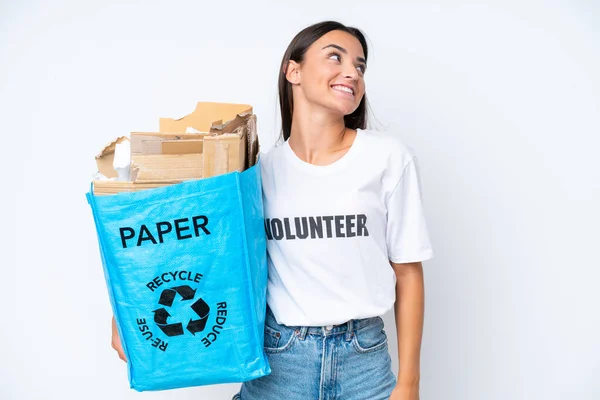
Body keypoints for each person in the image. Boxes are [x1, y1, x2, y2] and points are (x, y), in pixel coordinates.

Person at [112, 20, 434, 400]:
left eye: (360, 67)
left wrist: (409, 383)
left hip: (364, 361)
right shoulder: (255, 172)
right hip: (280, 360)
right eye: (336, 56)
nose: (352, 72)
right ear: (293, 70)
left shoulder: (387, 157)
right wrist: (128, 310)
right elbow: (193, 245)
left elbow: (408, 271)